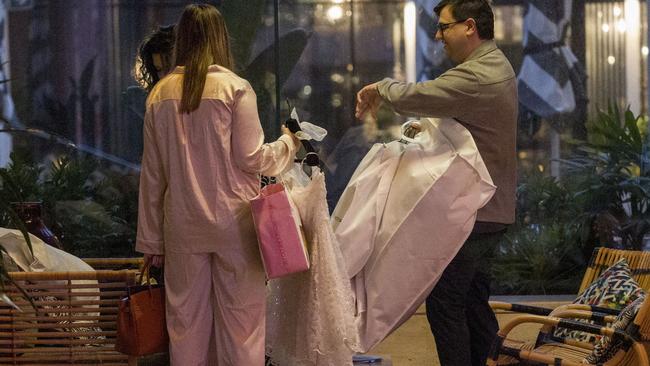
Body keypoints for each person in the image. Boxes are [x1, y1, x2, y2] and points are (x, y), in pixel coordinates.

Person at [135, 4, 300, 365]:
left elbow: (153, 175)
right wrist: (290, 143)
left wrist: (150, 241)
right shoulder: (235, 88)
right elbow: (253, 158)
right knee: (243, 328)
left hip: (182, 228)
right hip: (235, 225)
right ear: (220, 38)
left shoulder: (159, 95)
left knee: (185, 327)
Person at [355, 0, 517, 365]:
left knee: (445, 301)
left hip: (478, 210)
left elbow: (422, 95)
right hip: (493, 210)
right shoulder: (495, 64)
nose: (438, 35)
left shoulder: (476, 75)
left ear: (469, 26)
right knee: (473, 302)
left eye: (444, 27)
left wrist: (381, 87)